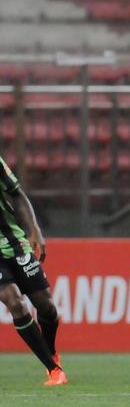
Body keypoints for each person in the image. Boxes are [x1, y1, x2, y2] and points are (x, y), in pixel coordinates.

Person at [0, 155, 66, 385]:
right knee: (14, 301)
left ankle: (52, 353)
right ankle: (53, 369)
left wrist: (34, 228)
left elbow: (17, 195)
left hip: (16, 244)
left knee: (46, 308)